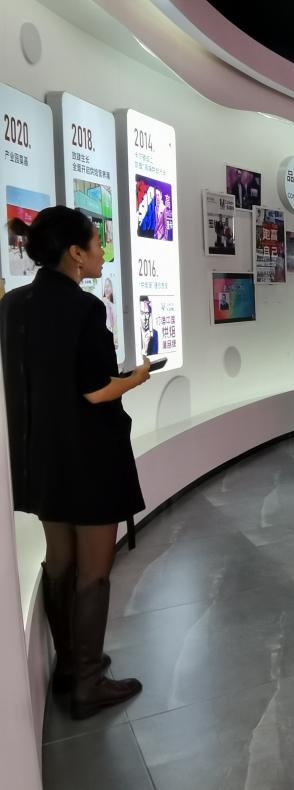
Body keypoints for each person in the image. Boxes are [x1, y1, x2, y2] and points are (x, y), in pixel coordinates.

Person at [0, 207, 152, 719]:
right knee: (94, 573)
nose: (101, 251)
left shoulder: (13, 305)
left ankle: (70, 666)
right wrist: (137, 377)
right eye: (96, 243)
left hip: (41, 458)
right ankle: (89, 683)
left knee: (60, 562)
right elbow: (95, 390)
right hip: (88, 458)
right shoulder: (84, 308)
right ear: (75, 253)